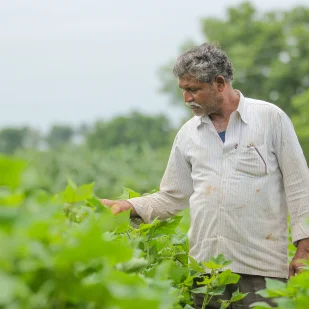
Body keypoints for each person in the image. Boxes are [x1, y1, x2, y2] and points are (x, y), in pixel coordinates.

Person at [101, 42, 309, 309]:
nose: (186, 98)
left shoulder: (270, 119)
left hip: (261, 271)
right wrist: (125, 206)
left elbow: (299, 187)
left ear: (219, 83)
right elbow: (171, 197)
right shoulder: (188, 134)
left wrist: (303, 251)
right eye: (183, 90)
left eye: (193, 89)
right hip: (206, 275)